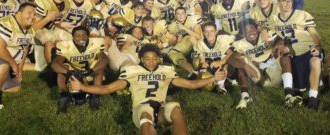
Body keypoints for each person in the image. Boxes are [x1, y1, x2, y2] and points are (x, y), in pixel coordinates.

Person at [70, 44, 226, 135]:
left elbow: (190, 85)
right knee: (146, 111)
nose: (151, 62)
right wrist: (82, 87)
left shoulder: (166, 70)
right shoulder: (132, 71)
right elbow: (108, 88)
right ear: (141, 59)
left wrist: (214, 78)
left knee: (175, 107)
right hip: (141, 110)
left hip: (161, 111)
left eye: (154, 58)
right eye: (147, 58)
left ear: (159, 58)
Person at [268, 0, 323, 110]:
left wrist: (318, 45)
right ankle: (288, 94)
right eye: (284, 1)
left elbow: (314, 33)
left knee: (316, 61)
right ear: (278, 3)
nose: (287, 4)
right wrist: (279, 42)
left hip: (306, 47)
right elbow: (271, 37)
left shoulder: (302, 15)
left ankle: (313, 98)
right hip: (290, 50)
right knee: (284, 56)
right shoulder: (273, 19)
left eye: (290, 1)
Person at [224, 19, 296, 109]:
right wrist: (245, 66)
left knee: (285, 56)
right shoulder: (239, 44)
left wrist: (280, 43)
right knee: (241, 61)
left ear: (257, 29)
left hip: (274, 69)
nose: (250, 32)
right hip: (259, 75)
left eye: (251, 28)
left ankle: (288, 96)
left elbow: (282, 39)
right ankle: (245, 96)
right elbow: (229, 58)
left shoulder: (266, 35)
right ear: (243, 33)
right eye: (246, 31)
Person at [51, 26, 108, 113]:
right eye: (77, 35)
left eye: (83, 35)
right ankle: (63, 96)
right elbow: (55, 64)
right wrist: (69, 72)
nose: (81, 37)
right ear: (73, 37)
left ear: (88, 36)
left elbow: (104, 59)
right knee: (63, 68)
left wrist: (92, 70)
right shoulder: (65, 45)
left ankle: (95, 95)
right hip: (74, 72)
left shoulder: (96, 42)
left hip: (90, 72)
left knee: (99, 67)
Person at [192, 22, 235, 93]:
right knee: (196, 62)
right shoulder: (200, 43)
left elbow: (232, 53)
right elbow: (202, 59)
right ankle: (202, 78)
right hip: (211, 65)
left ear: (216, 32)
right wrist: (203, 64)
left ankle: (221, 84)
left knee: (227, 61)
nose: (209, 34)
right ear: (203, 33)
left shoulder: (222, 40)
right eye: (206, 31)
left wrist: (221, 62)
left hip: (223, 65)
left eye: (212, 31)